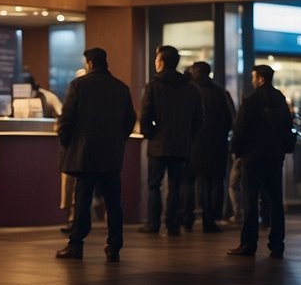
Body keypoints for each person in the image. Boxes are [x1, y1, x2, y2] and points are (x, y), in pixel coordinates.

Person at [55, 47, 136, 263]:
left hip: (85, 155)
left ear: (89, 63)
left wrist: (68, 143)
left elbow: (66, 120)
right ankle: (114, 246)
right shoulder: (121, 88)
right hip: (111, 155)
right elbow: (130, 120)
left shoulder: (78, 86)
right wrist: (118, 140)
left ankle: (76, 244)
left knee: (82, 200)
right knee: (113, 202)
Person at [227, 64, 292, 259]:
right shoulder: (280, 99)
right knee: (275, 201)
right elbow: (288, 127)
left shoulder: (252, 100)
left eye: (254, 77)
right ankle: (277, 244)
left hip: (253, 157)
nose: (252, 81)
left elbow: (240, 128)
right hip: (274, 157)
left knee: (250, 200)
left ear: (260, 78)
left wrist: (236, 151)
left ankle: (248, 243)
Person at [137, 45, 202, 235]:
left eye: (156, 59)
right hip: (181, 144)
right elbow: (199, 119)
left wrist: (151, 134)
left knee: (154, 185)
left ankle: (153, 223)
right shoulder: (191, 88)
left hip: (158, 145)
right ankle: (172, 224)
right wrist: (188, 136)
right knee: (176, 186)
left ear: (162, 62)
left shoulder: (154, 86)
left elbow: (146, 116)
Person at [183, 61, 235, 232]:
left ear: (197, 72)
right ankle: (211, 219)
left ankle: (189, 218)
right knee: (216, 182)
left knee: (200, 182)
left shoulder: (191, 91)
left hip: (197, 144)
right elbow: (229, 118)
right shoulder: (219, 92)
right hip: (217, 144)